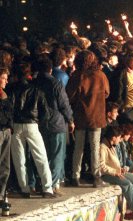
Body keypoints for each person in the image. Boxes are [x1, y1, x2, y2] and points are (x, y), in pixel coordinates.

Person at [9, 61, 55, 198]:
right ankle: (47, 188)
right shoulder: (36, 90)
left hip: (16, 126)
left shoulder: (11, 89)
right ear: (29, 74)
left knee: (19, 160)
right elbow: (45, 112)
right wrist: (40, 122)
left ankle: (25, 189)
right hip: (32, 125)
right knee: (41, 157)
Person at [66, 50, 110, 187]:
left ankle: (75, 176)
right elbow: (107, 93)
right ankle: (96, 177)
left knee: (78, 147)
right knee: (94, 147)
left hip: (80, 115)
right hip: (96, 116)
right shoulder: (101, 75)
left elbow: (69, 95)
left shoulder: (77, 75)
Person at [36, 55, 74, 196]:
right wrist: (70, 120)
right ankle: (51, 185)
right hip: (57, 123)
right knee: (57, 155)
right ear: (50, 69)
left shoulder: (34, 83)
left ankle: (42, 183)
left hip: (40, 123)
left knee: (43, 155)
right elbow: (64, 104)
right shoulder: (55, 84)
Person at [0, 67, 12, 207]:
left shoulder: (5, 95)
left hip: (6, 131)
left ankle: (1, 195)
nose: (6, 81)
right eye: (3, 78)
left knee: (5, 166)